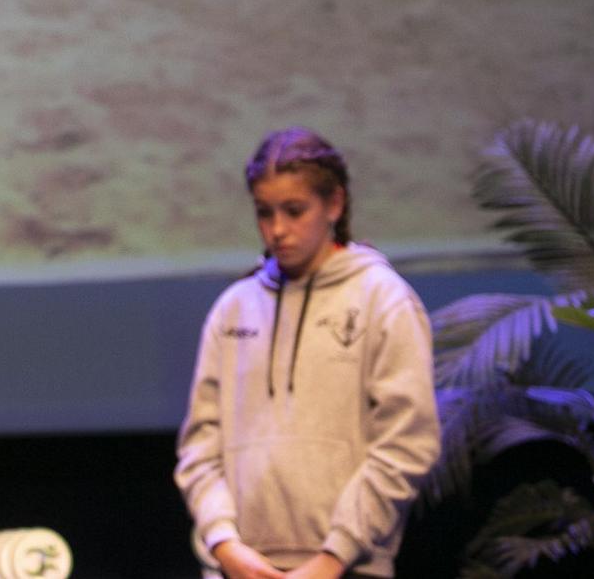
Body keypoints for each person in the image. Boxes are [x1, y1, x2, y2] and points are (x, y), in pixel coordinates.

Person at [174, 128, 440, 579]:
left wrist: (333, 556)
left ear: (334, 204)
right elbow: (201, 448)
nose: (278, 230)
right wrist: (224, 544)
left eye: (294, 211)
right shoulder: (234, 307)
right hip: (238, 568)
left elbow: (408, 442)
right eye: (264, 213)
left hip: (347, 568)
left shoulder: (383, 300)